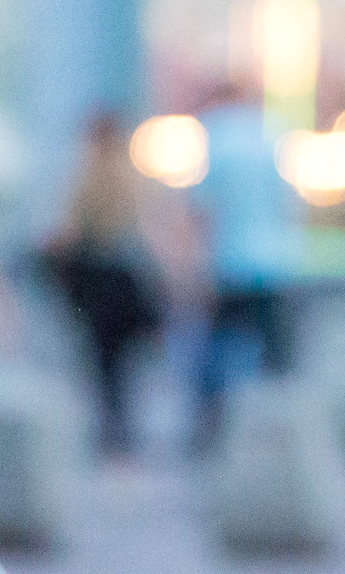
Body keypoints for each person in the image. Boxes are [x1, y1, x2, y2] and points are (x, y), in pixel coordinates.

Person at [187, 84, 305, 455]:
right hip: (274, 262)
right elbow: (288, 202)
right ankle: (278, 437)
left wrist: (196, 265)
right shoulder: (273, 134)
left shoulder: (215, 133)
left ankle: (213, 426)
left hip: (229, 261)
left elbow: (202, 209)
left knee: (219, 346)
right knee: (275, 355)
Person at [42, 112, 163, 459]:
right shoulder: (134, 177)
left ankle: (112, 427)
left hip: (100, 278)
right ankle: (121, 426)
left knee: (103, 361)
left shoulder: (86, 177)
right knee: (123, 362)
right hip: (127, 278)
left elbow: (68, 231)